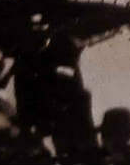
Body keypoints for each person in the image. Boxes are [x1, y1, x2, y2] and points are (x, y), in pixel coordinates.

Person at [13, 12, 96, 164]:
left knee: (84, 153)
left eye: (42, 26)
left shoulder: (63, 45)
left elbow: (68, 75)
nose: (38, 30)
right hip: (51, 118)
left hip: (71, 112)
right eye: (34, 27)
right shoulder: (25, 53)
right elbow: (23, 91)